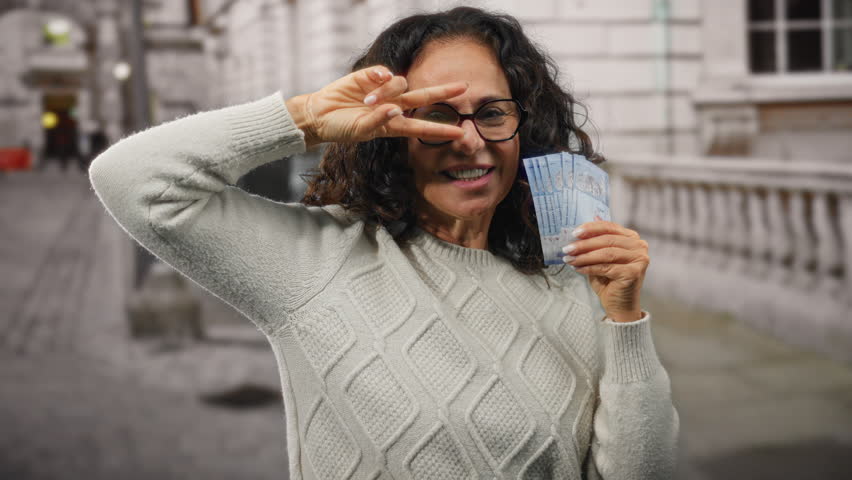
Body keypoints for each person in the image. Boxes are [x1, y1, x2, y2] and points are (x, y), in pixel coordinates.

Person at [89, 7, 678, 479]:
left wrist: (624, 322)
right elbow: (133, 180)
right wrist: (309, 117)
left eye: (491, 113)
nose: (468, 140)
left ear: (525, 125)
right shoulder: (318, 262)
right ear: (389, 133)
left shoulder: (571, 279)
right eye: (437, 116)